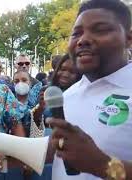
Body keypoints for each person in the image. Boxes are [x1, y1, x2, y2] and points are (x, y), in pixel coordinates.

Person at [47, 0, 132, 179]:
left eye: (100, 30)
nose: (83, 40)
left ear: (129, 39)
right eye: (76, 33)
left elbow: (93, 160)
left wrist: (102, 165)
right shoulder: (69, 95)